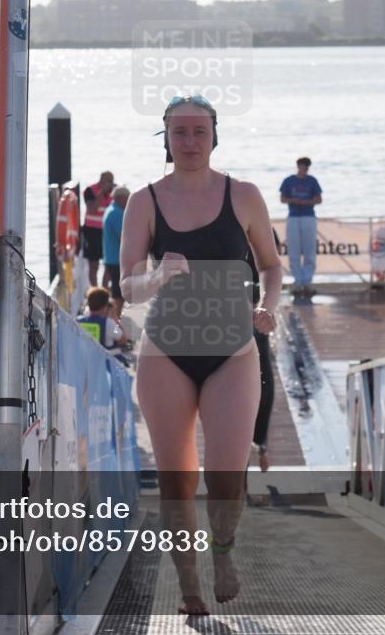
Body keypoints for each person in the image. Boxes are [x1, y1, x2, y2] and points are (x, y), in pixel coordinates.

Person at [120, 95, 282, 615]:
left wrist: (268, 303)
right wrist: (156, 275)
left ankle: (225, 553)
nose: (189, 141)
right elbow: (128, 287)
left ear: (215, 135)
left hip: (232, 351)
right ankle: (189, 581)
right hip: (166, 353)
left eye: (199, 131)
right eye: (179, 132)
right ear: (165, 138)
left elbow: (272, 266)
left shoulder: (245, 195)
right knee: (177, 480)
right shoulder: (144, 201)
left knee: (226, 476)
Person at [247, 229, 283, 473]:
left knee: (263, 385)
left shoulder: (264, 230)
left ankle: (261, 446)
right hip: (220, 318)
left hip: (254, 315)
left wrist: (266, 307)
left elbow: (274, 265)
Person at [280, 157, 322, 297]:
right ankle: (298, 282)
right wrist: (294, 200)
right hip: (293, 216)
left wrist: (308, 202)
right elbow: (282, 198)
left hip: (308, 216)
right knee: (294, 250)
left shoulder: (312, 180)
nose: (304, 169)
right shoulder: (289, 180)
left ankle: (307, 281)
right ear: (298, 166)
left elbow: (319, 199)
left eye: (306, 167)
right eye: (302, 166)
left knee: (310, 250)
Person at [82, 171, 115, 286]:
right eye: (108, 181)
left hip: (108, 232)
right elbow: (92, 208)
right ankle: (95, 291)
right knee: (93, 264)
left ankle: (105, 289)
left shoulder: (114, 193)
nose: (111, 184)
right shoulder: (90, 191)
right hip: (92, 232)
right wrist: (101, 192)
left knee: (110, 262)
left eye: (112, 181)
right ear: (101, 181)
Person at [76, 286, 128, 357]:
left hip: (85, 361)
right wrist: (114, 317)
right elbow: (123, 339)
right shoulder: (108, 324)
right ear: (104, 307)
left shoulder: (78, 321)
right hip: (104, 364)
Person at [102, 186, 130, 318]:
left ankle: (113, 320)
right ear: (120, 198)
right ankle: (115, 324)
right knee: (119, 295)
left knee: (115, 291)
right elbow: (124, 237)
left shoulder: (109, 209)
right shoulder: (118, 214)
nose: (129, 200)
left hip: (109, 256)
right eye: (127, 197)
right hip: (116, 259)